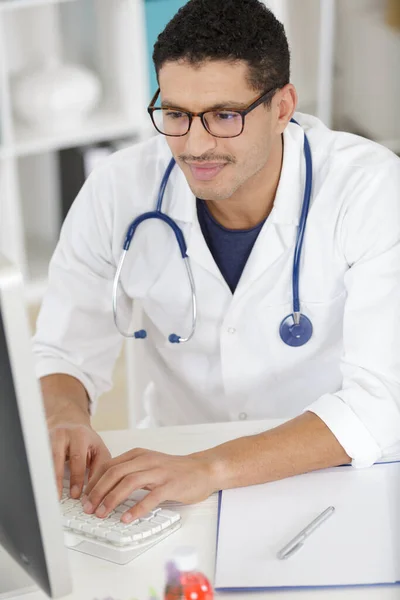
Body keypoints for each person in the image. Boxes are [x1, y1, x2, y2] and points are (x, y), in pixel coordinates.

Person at [34, 0, 400, 525]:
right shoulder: (119, 189)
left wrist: (210, 468)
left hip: (328, 474)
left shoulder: (369, 191)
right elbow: (61, 352)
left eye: (225, 116)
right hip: (173, 481)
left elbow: (381, 404)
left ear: (282, 107)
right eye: (177, 114)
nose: (194, 144)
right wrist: (65, 419)